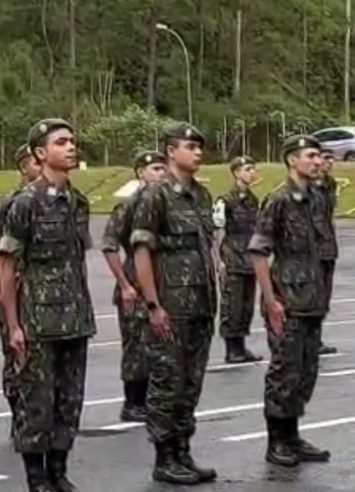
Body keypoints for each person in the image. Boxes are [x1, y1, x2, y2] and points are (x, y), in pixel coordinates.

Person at [0, 119, 96, 492]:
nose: (71, 147)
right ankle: (36, 478)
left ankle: (59, 470)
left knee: (69, 403)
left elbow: (77, 259)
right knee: (36, 403)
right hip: (37, 319)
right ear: (41, 153)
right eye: (61, 142)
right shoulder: (24, 203)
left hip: (75, 317)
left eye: (72, 140)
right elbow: (7, 265)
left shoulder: (78, 202)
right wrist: (13, 325)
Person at [131, 123, 218, 484]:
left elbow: (208, 245)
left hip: (200, 304)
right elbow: (141, 251)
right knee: (168, 382)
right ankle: (164, 457)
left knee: (190, 383)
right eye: (190, 146)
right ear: (171, 151)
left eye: (200, 147)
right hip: (169, 305)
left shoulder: (201, 195)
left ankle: (183, 451)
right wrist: (153, 305)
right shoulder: (155, 196)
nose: (197, 152)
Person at [249, 135, 331, 468]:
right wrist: (270, 300)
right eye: (310, 156)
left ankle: (293, 435)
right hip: (286, 299)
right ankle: (277, 440)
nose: (316, 161)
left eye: (317, 155)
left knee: (305, 371)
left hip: (312, 298)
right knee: (284, 371)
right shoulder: (278, 200)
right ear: (291, 161)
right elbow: (258, 251)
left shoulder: (317, 199)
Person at [102, 151, 167, 422]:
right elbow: (109, 246)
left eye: (163, 168)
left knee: (158, 346)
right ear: (140, 172)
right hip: (135, 286)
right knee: (135, 347)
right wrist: (124, 284)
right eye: (154, 168)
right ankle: (133, 402)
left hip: (160, 284)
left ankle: (152, 398)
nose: (161, 173)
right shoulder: (128, 206)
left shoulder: (166, 204)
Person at [0, 144, 41, 431]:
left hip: (49, 297)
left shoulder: (62, 201)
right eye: (34, 162)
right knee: (16, 356)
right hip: (15, 293)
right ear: (23, 167)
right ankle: (19, 416)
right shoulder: (8, 203)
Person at [213, 156, 262, 363]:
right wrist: (219, 261)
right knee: (231, 304)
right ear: (236, 173)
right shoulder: (225, 200)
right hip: (232, 256)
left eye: (253, 169)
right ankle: (232, 348)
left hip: (249, 257)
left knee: (246, 304)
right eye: (247, 169)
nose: (252, 173)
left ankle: (241, 346)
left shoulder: (253, 200)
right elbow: (216, 231)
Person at [315, 147, 339, 355]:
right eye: (325, 158)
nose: (329, 162)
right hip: (313, 249)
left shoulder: (330, 184)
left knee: (324, 296)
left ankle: (317, 337)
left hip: (328, 246)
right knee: (312, 295)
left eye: (331, 158)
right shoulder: (310, 186)